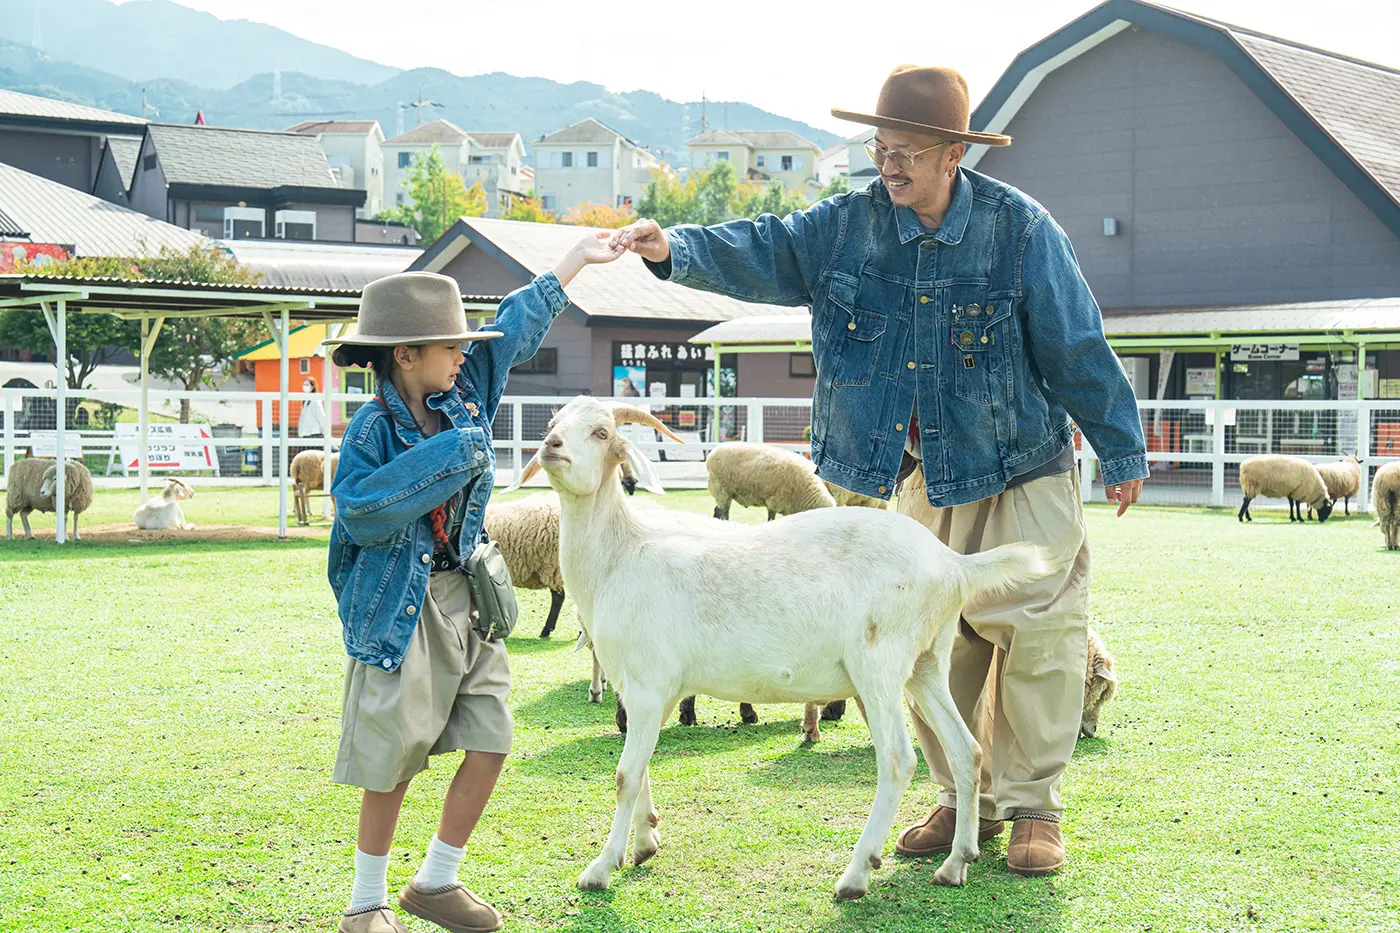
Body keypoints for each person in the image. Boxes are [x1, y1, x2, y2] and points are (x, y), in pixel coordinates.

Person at [611, 65, 1147, 877]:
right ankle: (959, 795)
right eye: (880, 146)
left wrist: (1121, 446)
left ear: (954, 154)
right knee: (936, 640)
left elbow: (1076, 345)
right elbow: (768, 245)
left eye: (907, 150)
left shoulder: (1021, 230)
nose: (888, 164)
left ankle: (1034, 803)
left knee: (1039, 635)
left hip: (1024, 463)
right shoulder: (847, 226)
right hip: (925, 473)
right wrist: (672, 248)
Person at [324, 232, 623, 933]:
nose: (466, 354)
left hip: (470, 600)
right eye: (451, 345)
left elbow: (513, 329)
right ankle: (365, 903)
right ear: (406, 354)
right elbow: (362, 511)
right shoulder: (371, 430)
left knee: (491, 736)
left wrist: (576, 259)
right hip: (402, 605)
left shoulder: (464, 394)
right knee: (392, 759)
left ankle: (435, 881)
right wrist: (450, 456)